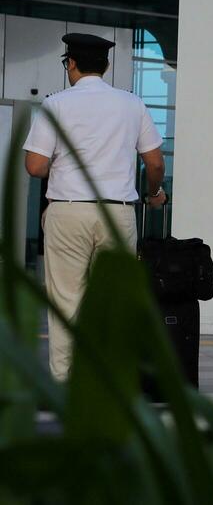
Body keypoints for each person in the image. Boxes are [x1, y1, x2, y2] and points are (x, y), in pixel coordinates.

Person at [23, 33, 167, 379]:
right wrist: (153, 192)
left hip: (68, 209)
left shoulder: (56, 104)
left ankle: (64, 382)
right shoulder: (132, 103)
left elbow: (35, 167)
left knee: (65, 300)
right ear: (106, 65)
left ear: (70, 64)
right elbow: (155, 162)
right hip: (118, 212)